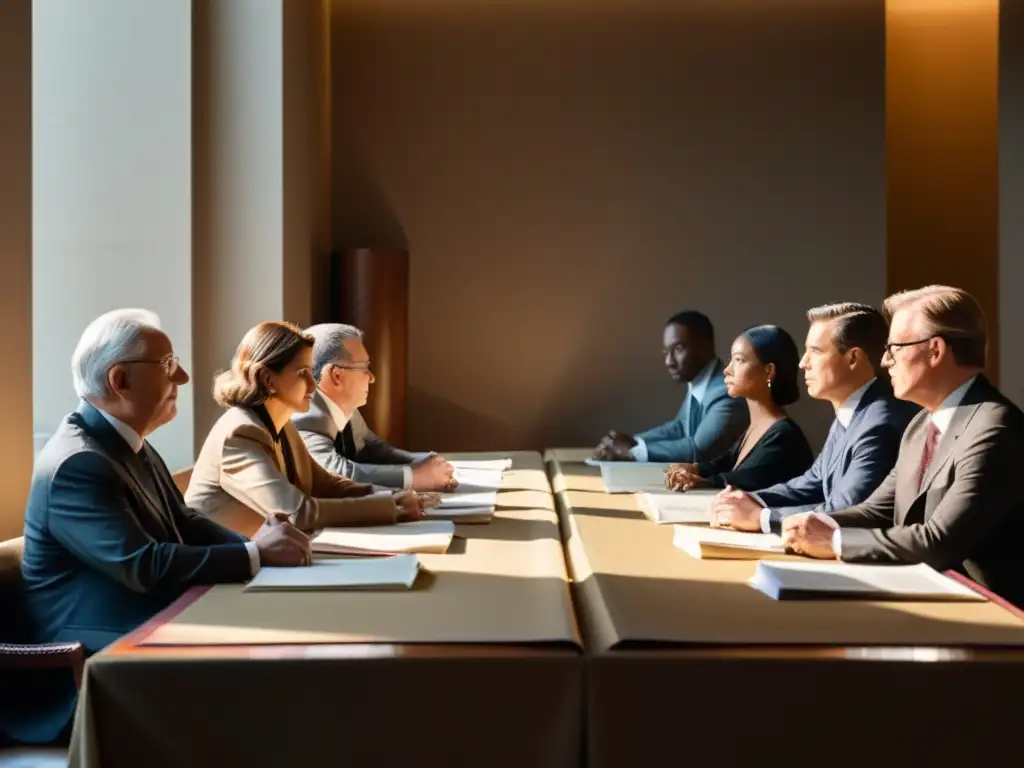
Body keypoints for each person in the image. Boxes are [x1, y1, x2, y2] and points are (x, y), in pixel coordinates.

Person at [20, 310, 311, 738]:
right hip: (84, 669)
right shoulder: (78, 462)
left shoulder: (127, 442)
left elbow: (186, 521)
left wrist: (262, 548)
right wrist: (254, 554)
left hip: (143, 626)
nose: (185, 377)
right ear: (120, 380)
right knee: (272, 676)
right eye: (168, 365)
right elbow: (143, 566)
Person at [784, 286, 1024, 607]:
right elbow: (876, 510)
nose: (884, 361)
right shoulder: (920, 424)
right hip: (927, 595)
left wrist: (835, 541)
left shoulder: (994, 426)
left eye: (894, 348)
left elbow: (938, 542)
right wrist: (816, 524)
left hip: (994, 620)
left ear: (935, 351)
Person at [187, 321, 427, 536]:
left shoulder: (283, 427)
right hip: (220, 577)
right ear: (268, 379)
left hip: (267, 560)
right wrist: (390, 507)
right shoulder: (240, 433)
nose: (313, 384)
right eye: (303, 373)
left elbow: (327, 485)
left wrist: (392, 496)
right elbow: (297, 513)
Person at [709, 303, 918, 532]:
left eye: (815, 352)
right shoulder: (853, 411)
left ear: (853, 358)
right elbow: (812, 483)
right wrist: (748, 500)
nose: (803, 363)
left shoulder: (879, 423)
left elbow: (845, 509)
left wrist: (762, 518)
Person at [293, 323, 455, 491]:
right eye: (364, 367)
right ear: (337, 376)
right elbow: (334, 472)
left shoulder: (340, 404)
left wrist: (422, 462)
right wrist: (413, 477)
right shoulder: (306, 415)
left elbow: (370, 448)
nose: (371, 378)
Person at [664, 325, 812, 492]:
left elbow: (738, 481)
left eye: (739, 360)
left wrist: (693, 479)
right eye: (731, 360)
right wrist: (692, 469)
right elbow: (722, 464)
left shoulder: (784, 437)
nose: (727, 370)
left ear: (768, 371)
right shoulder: (757, 428)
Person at [595, 310, 748, 463]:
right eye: (666, 352)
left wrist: (632, 451)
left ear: (705, 346)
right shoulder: (700, 383)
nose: (669, 361)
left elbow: (698, 449)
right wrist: (634, 440)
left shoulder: (726, 390)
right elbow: (679, 428)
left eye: (678, 349)